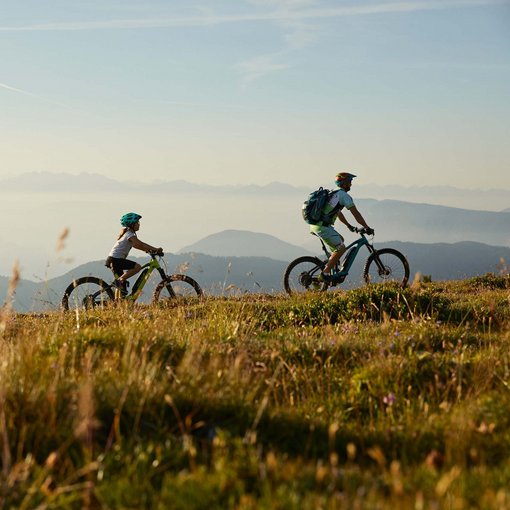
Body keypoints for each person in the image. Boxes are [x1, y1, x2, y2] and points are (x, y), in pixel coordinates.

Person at [309, 172, 374, 282]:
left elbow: (338, 213)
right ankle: (324, 274)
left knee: (341, 241)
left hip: (317, 225)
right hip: (323, 227)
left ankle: (330, 266)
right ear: (344, 183)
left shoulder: (334, 193)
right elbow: (356, 214)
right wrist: (366, 227)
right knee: (341, 248)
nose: (351, 184)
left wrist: (349, 226)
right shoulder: (344, 196)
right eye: (349, 182)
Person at [105, 212, 163, 295]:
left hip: (113, 260)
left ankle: (116, 302)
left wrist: (147, 250)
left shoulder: (128, 233)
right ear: (132, 224)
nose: (139, 224)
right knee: (137, 267)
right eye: (137, 222)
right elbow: (139, 244)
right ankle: (118, 281)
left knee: (123, 289)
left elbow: (139, 245)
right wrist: (155, 249)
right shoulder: (129, 234)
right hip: (115, 260)